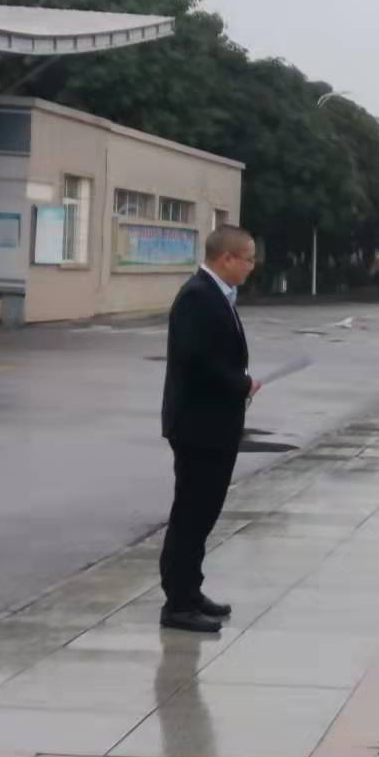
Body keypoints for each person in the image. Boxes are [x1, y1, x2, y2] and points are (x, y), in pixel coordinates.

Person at [158, 227, 260, 633]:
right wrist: (240, 384)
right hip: (197, 427)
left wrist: (240, 384)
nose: (252, 267)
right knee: (190, 515)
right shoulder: (197, 296)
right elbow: (197, 360)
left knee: (203, 515)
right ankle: (178, 604)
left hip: (215, 425)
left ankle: (191, 590)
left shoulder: (217, 295)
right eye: (248, 259)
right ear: (226, 258)